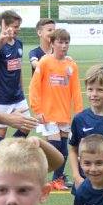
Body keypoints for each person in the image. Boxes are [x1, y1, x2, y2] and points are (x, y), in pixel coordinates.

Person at [29, 27, 83, 194]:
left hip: (64, 114)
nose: (64, 46)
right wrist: (37, 109)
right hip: (47, 113)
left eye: (66, 42)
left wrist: (79, 112)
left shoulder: (71, 65)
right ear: (52, 43)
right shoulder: (45, 62)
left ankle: (57, 179)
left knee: (64, 148)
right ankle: (36, 175)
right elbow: (34, 87)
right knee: (55, 145)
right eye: (60, 42)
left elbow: (76, 89)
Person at [0, 12, 29, 141]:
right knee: (1, 131)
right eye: (15, 26)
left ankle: (8, 147)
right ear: (5, 26)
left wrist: (22, 90)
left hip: (18, 96)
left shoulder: (19, 43)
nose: (18, 29)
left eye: (19, 26)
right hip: (2, 97)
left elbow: (19, 68)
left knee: (27, 125)